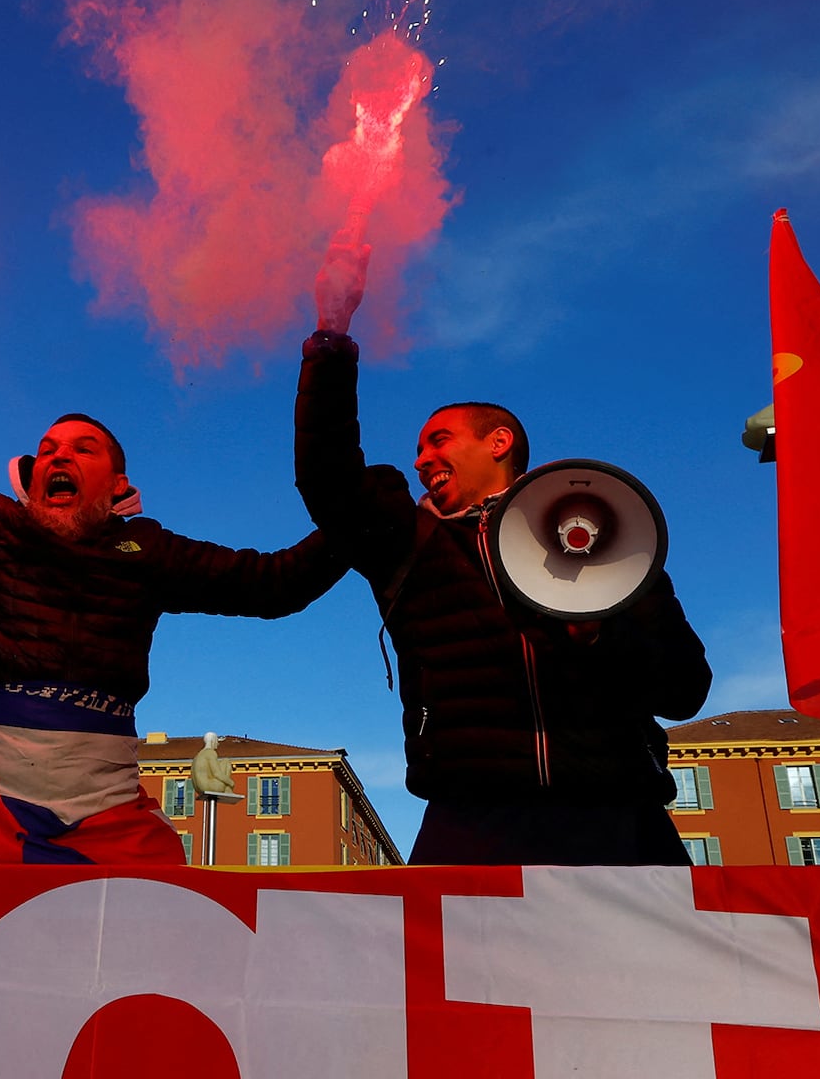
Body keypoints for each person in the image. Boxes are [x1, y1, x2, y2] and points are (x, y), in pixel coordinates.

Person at [0, 326, 346, 865]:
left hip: (104, 814)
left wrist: (359, 518)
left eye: (82, 449)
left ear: (118, 484)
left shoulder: (147, 550)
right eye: (47, 450)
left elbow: (275, 584)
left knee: (156, 905)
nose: (58, 456)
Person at [294, 243, 711, 866]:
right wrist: (331, 332)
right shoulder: (407, 541)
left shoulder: (610, 538)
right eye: (418, 449)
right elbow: (326, 474)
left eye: (438, 440)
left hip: (618, 813)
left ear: (498, 442)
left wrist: (598, 636)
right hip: (472, 817)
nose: (420, 460)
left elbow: (685, 690)